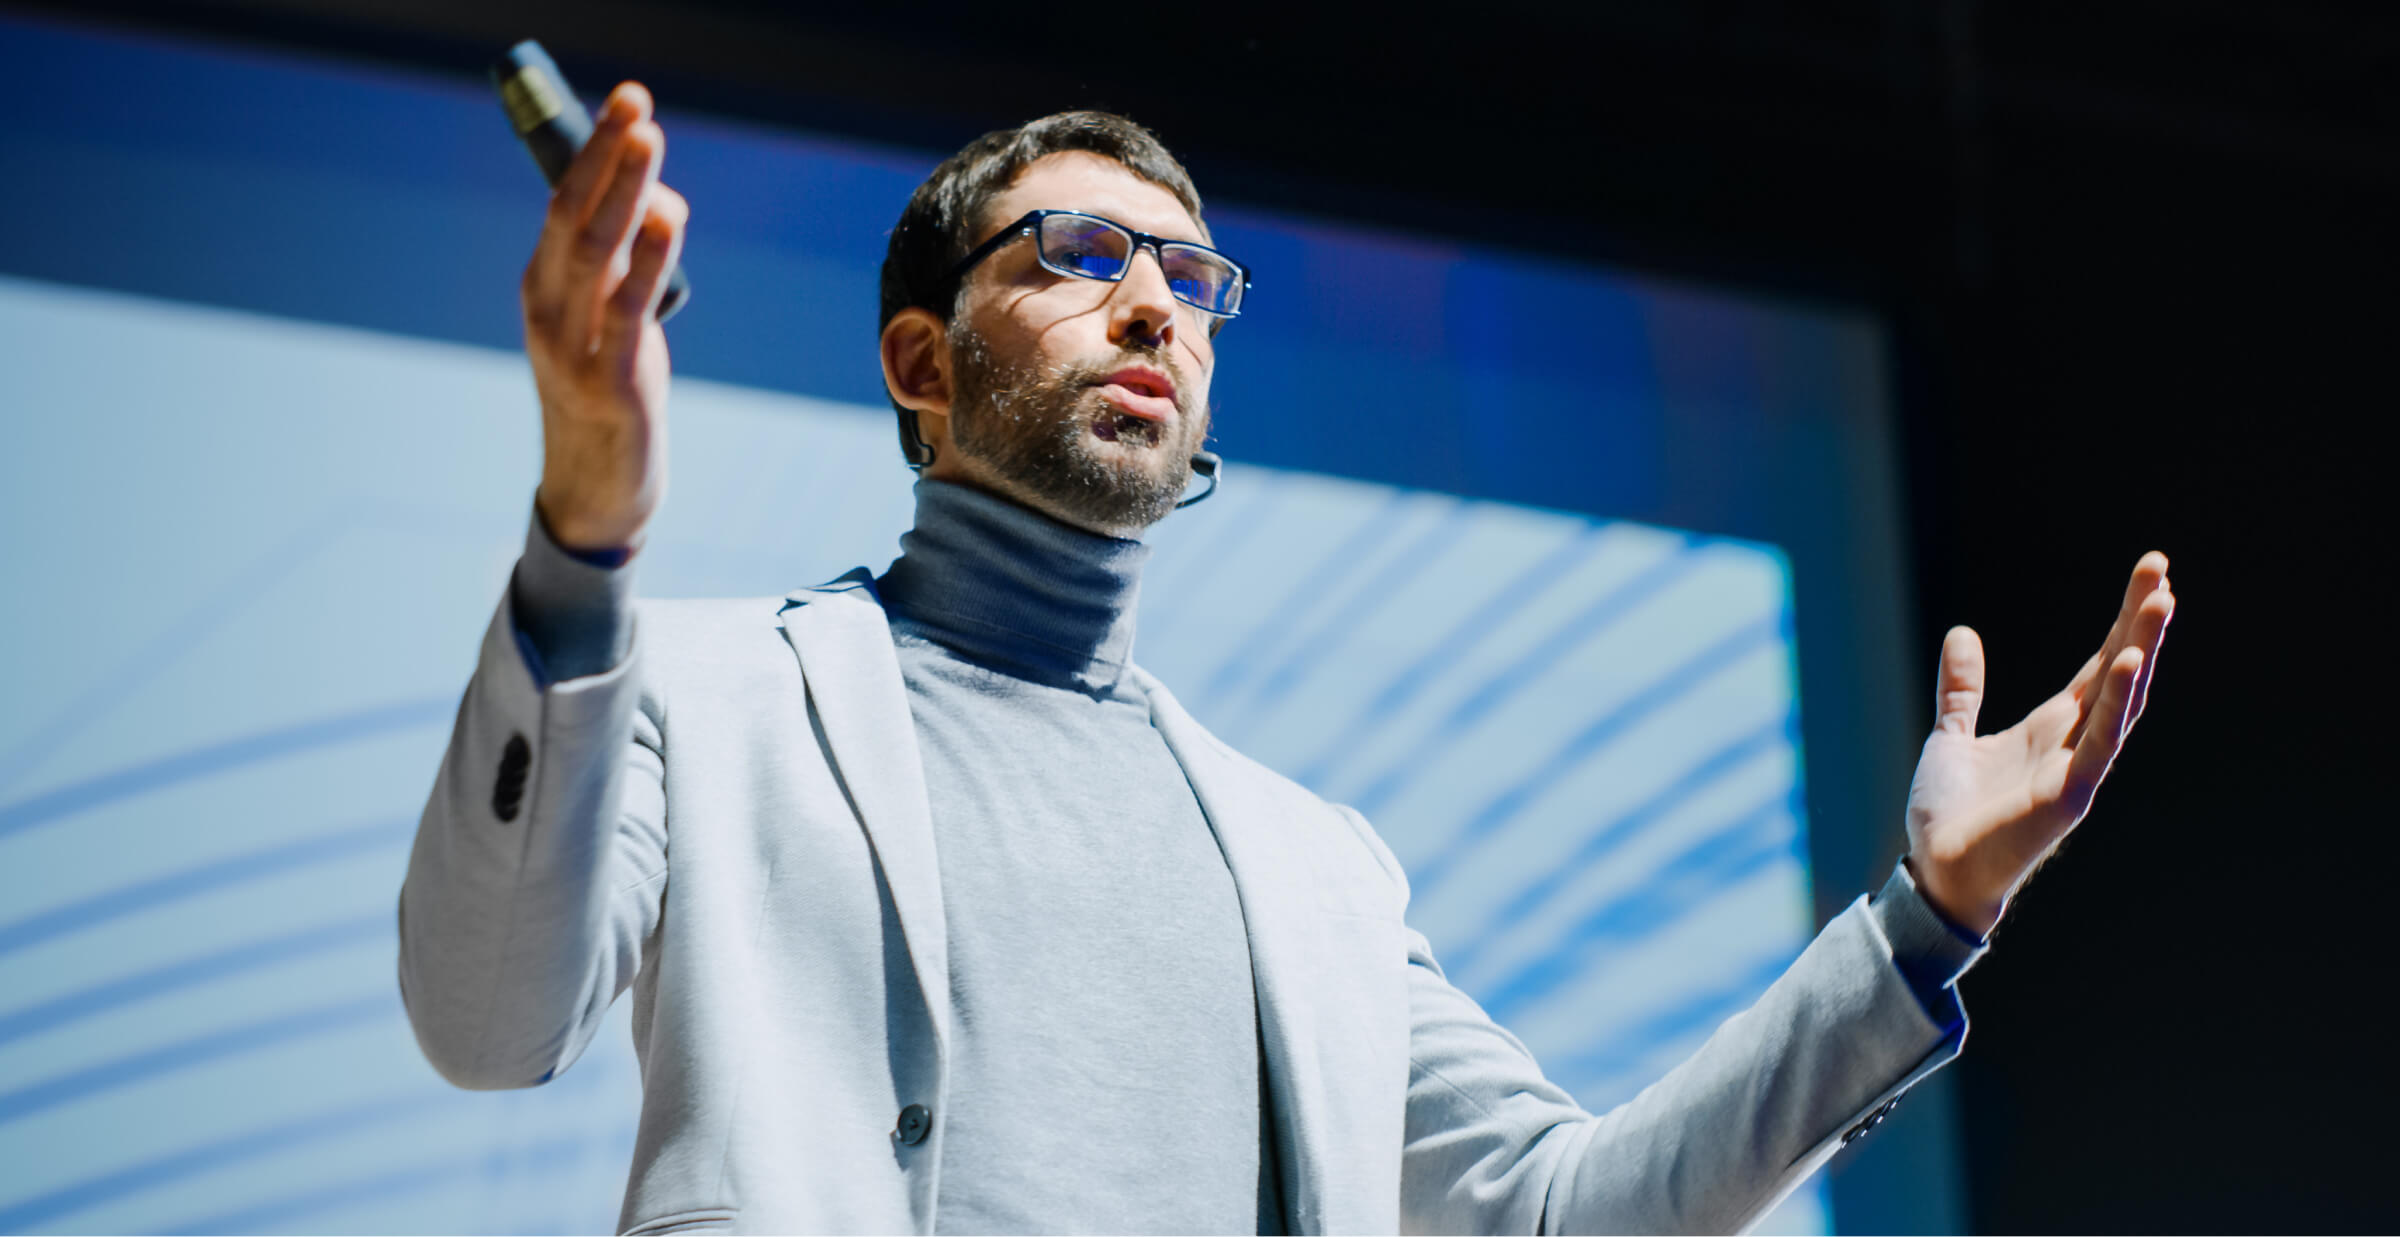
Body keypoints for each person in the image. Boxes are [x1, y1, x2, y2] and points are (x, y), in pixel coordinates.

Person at [398, 83, 2175, 1235]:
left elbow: (1564, 1213)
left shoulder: (1310, 866)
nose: (1153, 299)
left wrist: (1916, 925)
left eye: (1188, 271)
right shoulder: (705, 700)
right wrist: (585, 531)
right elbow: (486, 1023)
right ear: (923, 369)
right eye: (1077, 255)